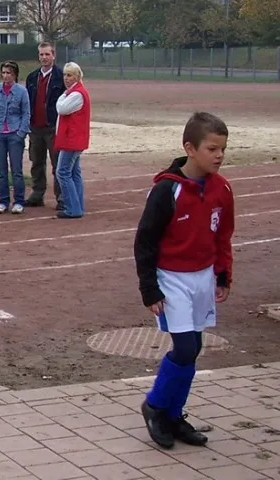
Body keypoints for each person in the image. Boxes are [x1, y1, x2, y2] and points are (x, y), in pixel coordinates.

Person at [134, 112, 234, 449]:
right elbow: (145, 241)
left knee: (195, 347)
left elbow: (223, 235)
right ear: (190, 148)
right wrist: (149, 288)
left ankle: (174, 415)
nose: (219, 156)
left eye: (223, 149)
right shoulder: (167, 190)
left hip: (202, 276)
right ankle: (155, 406)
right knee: (186, 348)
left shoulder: (222, 188)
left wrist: (223, 273)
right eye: (212, 149)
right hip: (171, 279)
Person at [0, 60, 31, 214]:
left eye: (9, 73)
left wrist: (21, 133)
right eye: (3, 72)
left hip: (14, 134)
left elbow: (26, 113)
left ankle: (19, 201)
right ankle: (3, 201)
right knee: (1, 171)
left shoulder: (22, 92)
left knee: (16, 170)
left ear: (15, 75)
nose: (5, 76)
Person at [25, 42, 65, 209]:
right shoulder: (32, 77)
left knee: (58, 164)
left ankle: (61, 197)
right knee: (36, 162)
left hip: (53, 127)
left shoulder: (61, 77)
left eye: (47, 54)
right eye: (41, 54)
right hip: (35, 127)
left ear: (53, 55)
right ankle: (37, 193)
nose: (44, 57)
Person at [54, 62, 91, 219]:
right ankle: (77, 205)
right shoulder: (75, 93)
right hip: (73, 139)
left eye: (69, 75)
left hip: (72, 140)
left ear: (77, 77)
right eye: (65, 75)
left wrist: (63, 95)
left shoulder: (76, 94)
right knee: (74, 172)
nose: (66, 78)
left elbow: (61, 108)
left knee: (62, 172)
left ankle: (72, 208)